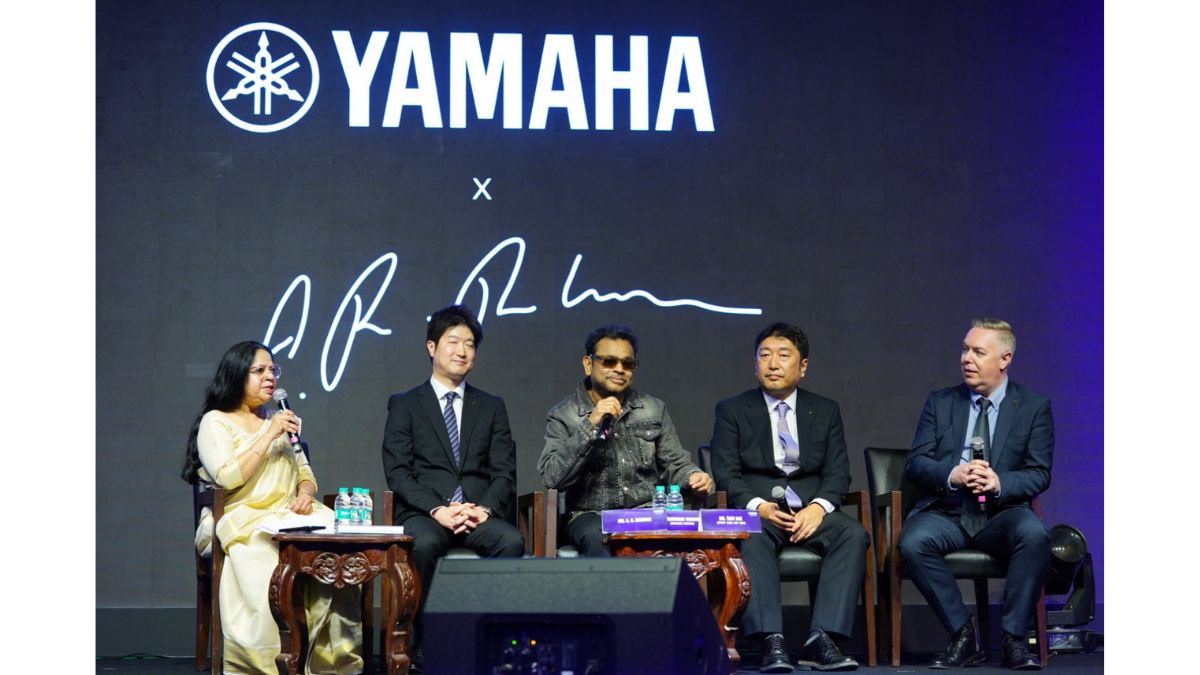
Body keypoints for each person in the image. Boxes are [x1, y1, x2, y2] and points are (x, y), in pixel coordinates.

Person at [182, 341, 362, 675]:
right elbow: (227, 477)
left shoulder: (279, 419)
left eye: (273, 370)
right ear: (237, 375)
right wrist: (269, 433)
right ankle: (268, 664)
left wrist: (305, 492)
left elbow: (305, 473)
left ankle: (330, 663)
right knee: (266, 561)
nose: (270, 377)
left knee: (339, 557)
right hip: (244, 517)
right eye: (260, 371)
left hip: (290, 516)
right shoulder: (216, 421)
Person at [710, 322, 866, 673]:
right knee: (751, 534)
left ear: (803, 366)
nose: (773, 363)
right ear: (755, 364)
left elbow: (838, 472)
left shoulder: (825, 409)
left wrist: (818, 508)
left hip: (812, 511)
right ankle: (772, 640)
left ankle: (822, 640)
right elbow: (726, 472)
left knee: (853, 534)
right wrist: (759, 506)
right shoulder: (732, 409)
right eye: (764, 355)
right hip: (762, 511)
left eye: (783, 355)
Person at [899, 319, 1053, 670]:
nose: (966, 358)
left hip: (1002, 513)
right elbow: (916, 463)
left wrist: (999, 482)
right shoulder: (941, 402)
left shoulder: (1033, 406)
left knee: (1034, 535)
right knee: (913, 542)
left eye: (978, 352)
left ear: (1004, 359)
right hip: (949, 511)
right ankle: (963, 635)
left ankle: (1013, 639)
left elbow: (1039, 473)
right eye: (965, 349)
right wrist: (952, 474)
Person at [381, 305, 524, 670]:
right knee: (423, 544)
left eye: (470, 344)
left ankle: (487, 637)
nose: (462, 351)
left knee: (510, 542)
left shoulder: (491, 406)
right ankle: (429, 641)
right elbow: (398, 472)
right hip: (425, 513)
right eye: (454, 341)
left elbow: (504, 472)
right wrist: (438, 509)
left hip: (476, 513)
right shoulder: (405, 404)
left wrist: (483, 509)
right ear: (431, 347)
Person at [537, 324, 714, 556]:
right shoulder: (564, 414)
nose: (620, 369)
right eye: (609, 362)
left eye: (627, 364)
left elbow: (675, 463)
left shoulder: (653, 408)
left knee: (693, 541)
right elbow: (552, 477)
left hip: (648, 511)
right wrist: (591, 424)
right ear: (588, 364)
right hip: (590, 516)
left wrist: (693, 476)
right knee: (598, 537)